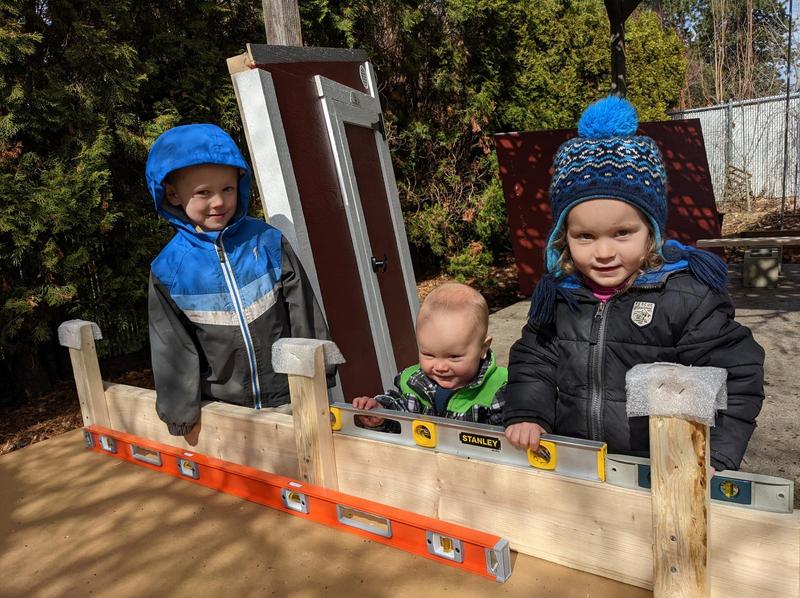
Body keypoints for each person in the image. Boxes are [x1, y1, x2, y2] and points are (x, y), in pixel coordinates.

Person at [503, 96, 764, 473]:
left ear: (652, 232)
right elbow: (535, 358)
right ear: (564, 235)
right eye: (585, 236)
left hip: (659, 471)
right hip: (577, 467)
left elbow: (736, 372)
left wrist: (716, 454)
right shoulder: (562, 295)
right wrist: (529, 412)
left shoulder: (684, 296)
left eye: (623, 233)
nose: (604, 251)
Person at [145, 124, 331, 441]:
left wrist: (320, 372)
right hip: (225, 411)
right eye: (203, 192)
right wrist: (181, 412)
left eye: (227, 189)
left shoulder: (267, 242)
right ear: (173, 194)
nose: (218, 202)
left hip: (289, 397)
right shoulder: (169, 269)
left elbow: (303, 311)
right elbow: (171, 345)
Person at [352, 282, 506, 426]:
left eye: (454, 357)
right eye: (429, 355)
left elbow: (505, 443)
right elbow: (400, 412)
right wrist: (381, 412)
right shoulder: (414, 381)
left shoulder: (499, 389)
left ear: (483, 348)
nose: (439, 367)